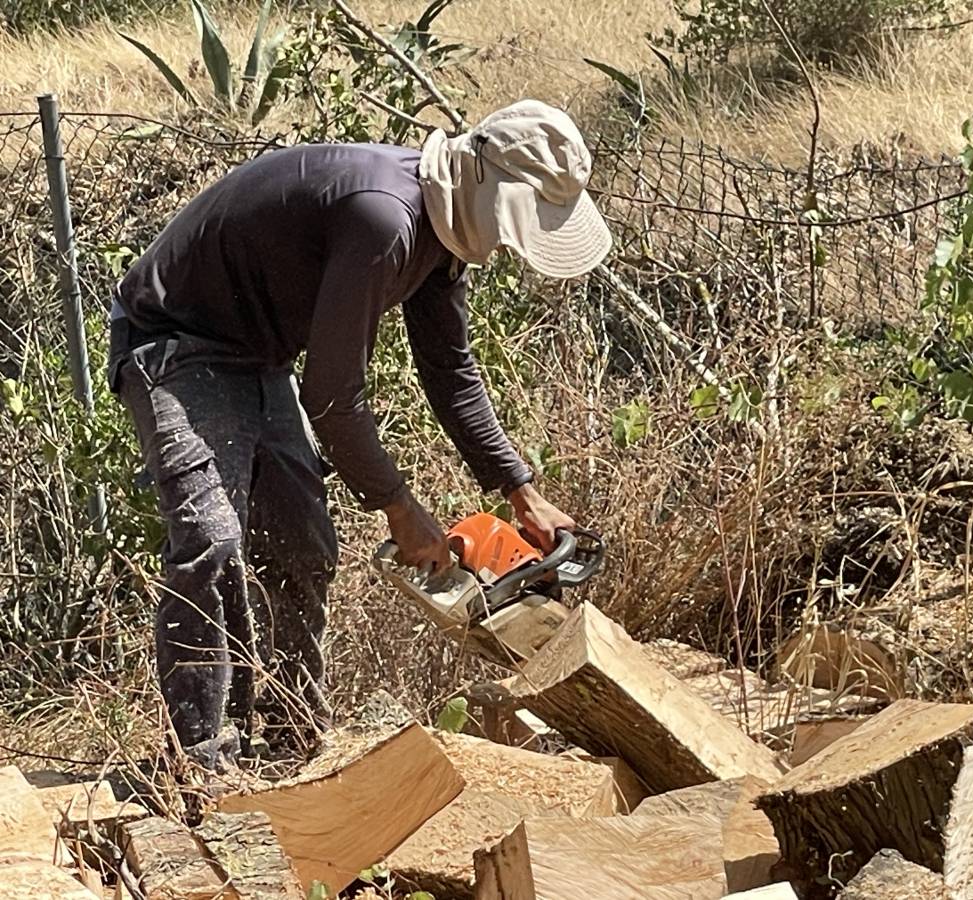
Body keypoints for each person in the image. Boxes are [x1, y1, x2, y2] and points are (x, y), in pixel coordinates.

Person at [107, 100, 613, 772]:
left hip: (257, 353)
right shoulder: (386, 217)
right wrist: (401, 509)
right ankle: (201, 758)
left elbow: (451, 372)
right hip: (173, 342)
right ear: (491, 187)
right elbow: (333, 398)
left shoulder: (442, 235)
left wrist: (520, 491)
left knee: (303, 543)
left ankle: (292, 736)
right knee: (212, 537)